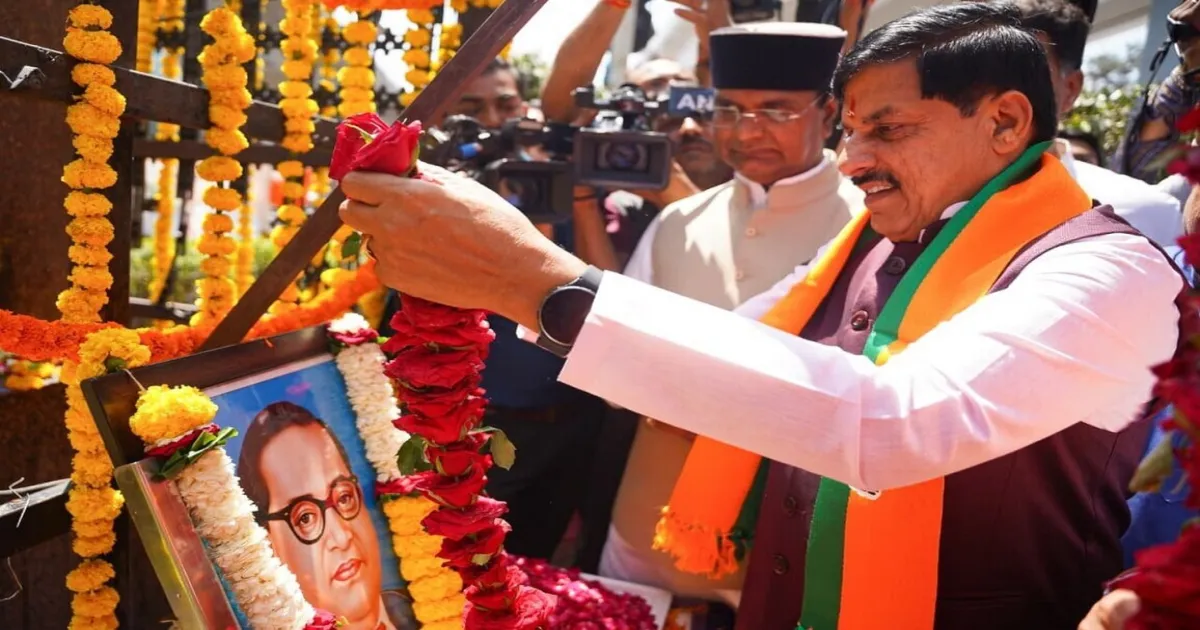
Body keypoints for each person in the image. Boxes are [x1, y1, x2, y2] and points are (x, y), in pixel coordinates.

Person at [338, 3, 1183, 628]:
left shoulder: (1105, 266)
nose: (854, 162)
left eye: (886, 130)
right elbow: (742, 346)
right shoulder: (882, 240)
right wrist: (510, 279)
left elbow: (892, 423)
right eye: (851, 131)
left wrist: (540, 282)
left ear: (1005, 121)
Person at [600, 21, 861, 610]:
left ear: (830, 113)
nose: (747, 131)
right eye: (729, 110)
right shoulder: (679, 223)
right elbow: (616, 370)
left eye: (776, 110)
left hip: (788, 540)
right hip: (645, 525)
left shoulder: (872, 225)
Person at [383, 57, 617, 562]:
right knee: (464, 563)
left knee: (536, 561)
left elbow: (613, 298)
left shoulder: (562, 183)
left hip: (574, 422)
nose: (494, 117)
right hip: (479, 428)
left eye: (506, 103)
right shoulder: (436, 206)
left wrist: (569, 201)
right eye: (474, 108)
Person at [1012, 0, 1184, 249]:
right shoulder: (938, 205)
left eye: (1023, 74)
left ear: (1071, 88)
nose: (998, 98)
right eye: (979, 73)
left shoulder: (1145, 214)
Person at [238, 402, 411, 630]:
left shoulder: (424, 608)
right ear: (269, 546)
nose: (341, 538)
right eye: (305, 518)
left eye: (344, 498)